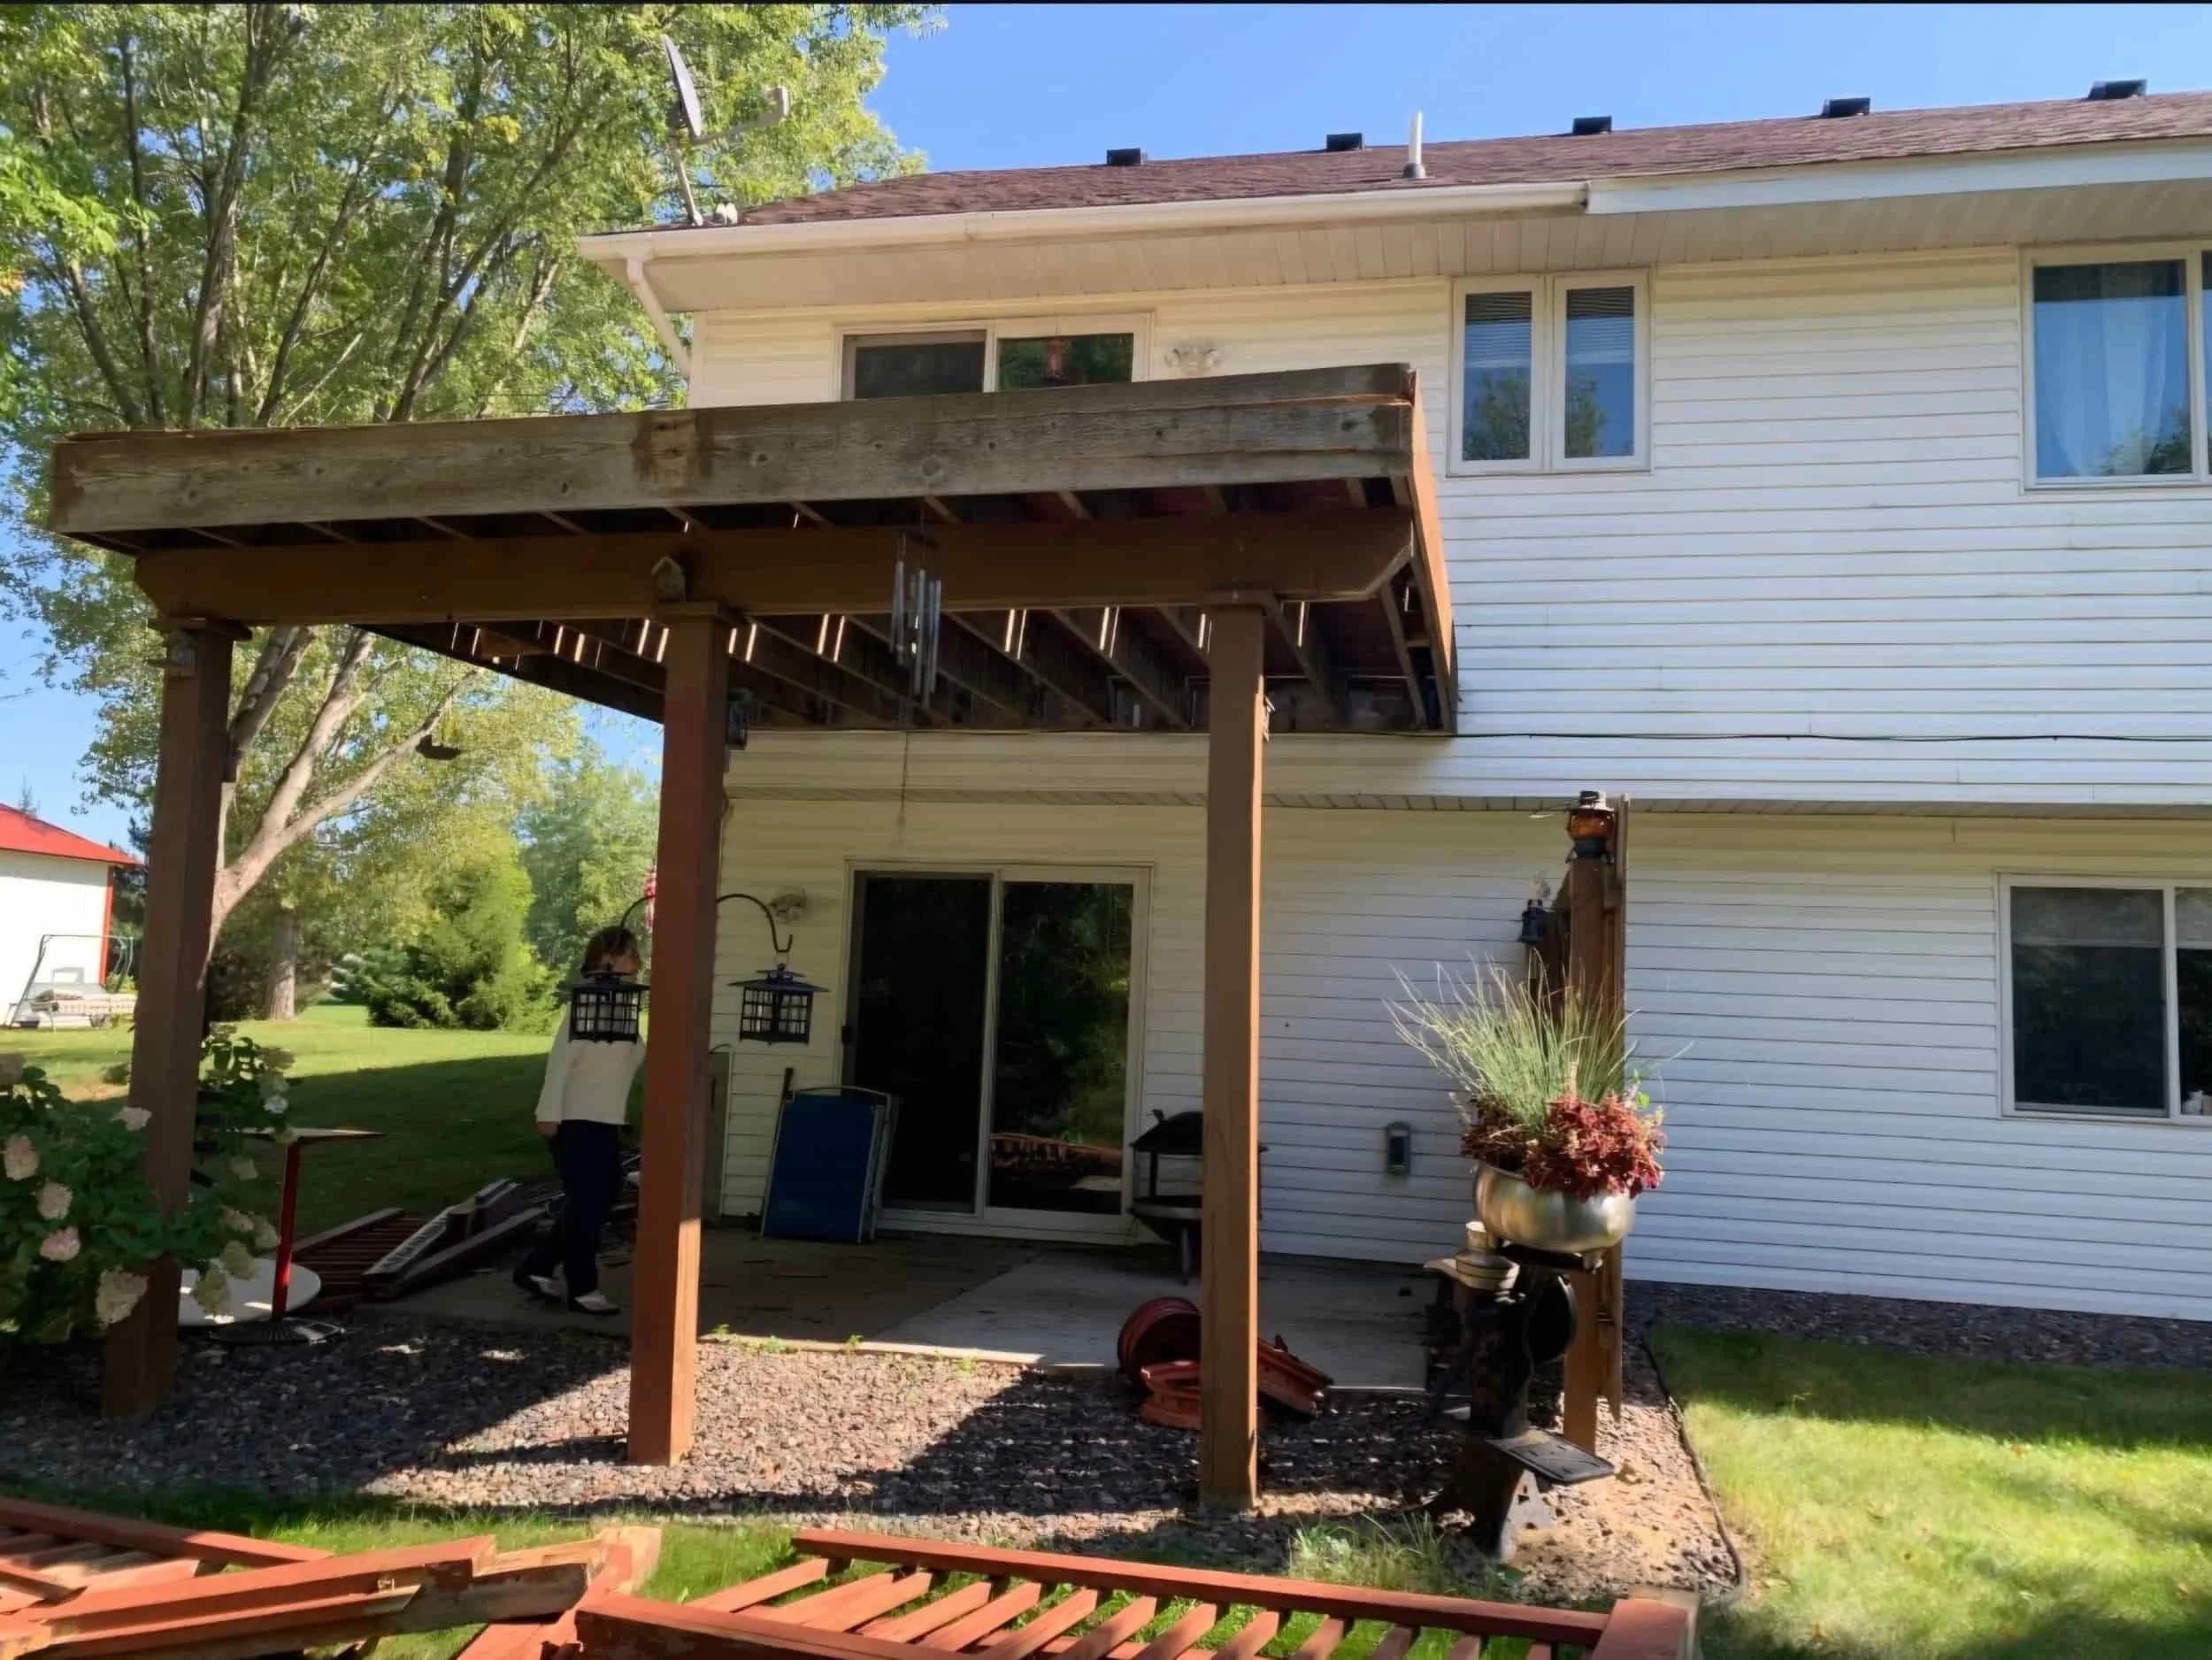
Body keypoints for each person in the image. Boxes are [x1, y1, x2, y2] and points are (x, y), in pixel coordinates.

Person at [513, 926, 644, 1315]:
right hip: (574, 1120)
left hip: (604, 1120)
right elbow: (560, 1064)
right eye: (633, 954)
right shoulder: (586, 1005)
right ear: (608, 959)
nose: (639, 962)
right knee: (589, 1204)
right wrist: (547, 1114)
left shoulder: (622, 1006)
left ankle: (535, 1268)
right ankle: (583, 1288)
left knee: (599, 1197)